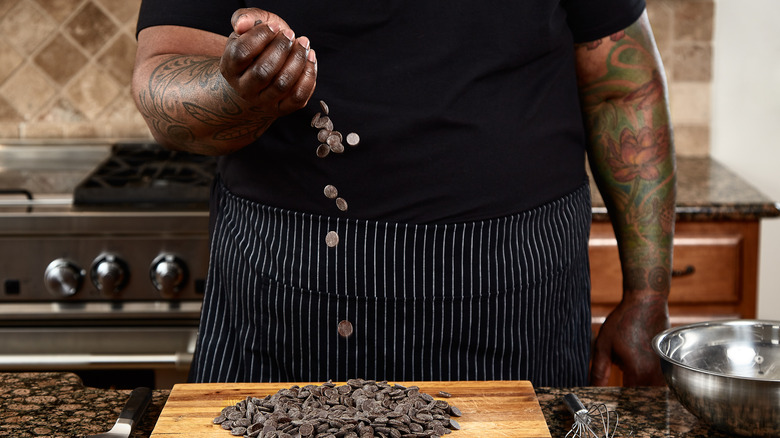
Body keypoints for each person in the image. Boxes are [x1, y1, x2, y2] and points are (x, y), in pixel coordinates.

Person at [133, 0, 676, 387]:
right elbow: (162, 82)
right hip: (287, 301)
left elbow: (622, 88)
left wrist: (648, 295)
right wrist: (235, 89)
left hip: (516, 299)